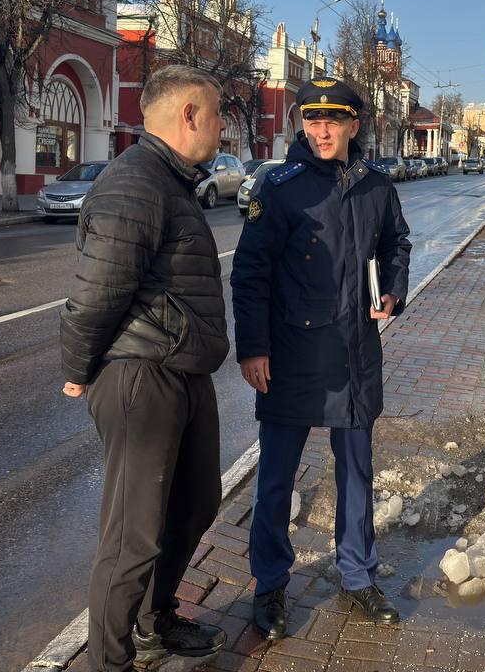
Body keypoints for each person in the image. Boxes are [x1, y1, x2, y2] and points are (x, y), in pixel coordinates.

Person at [60, 65, 230, 672]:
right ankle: (110, 661)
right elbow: (97, 290)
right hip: (142, 375)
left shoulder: (172, 180)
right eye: (215, 112)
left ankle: (156, 621)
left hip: (184, 371)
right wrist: (80, 366)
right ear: (187, 114)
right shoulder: (134, 182)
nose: (222, 123)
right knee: (133, 537)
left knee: (196, 503)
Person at [231, 77, 412, 640]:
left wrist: (393, 289)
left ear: (355, 125)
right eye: (313, 120)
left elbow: (396, 243)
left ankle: (357, 577)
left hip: (355, 352)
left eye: (334, 120)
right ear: (303, 124)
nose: (323, 131)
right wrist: (254, 348)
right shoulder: (279, 188)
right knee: (277, 479)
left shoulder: (376, 185)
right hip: (287, 354)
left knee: (356, 472)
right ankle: (269, 586)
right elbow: (250, 273)